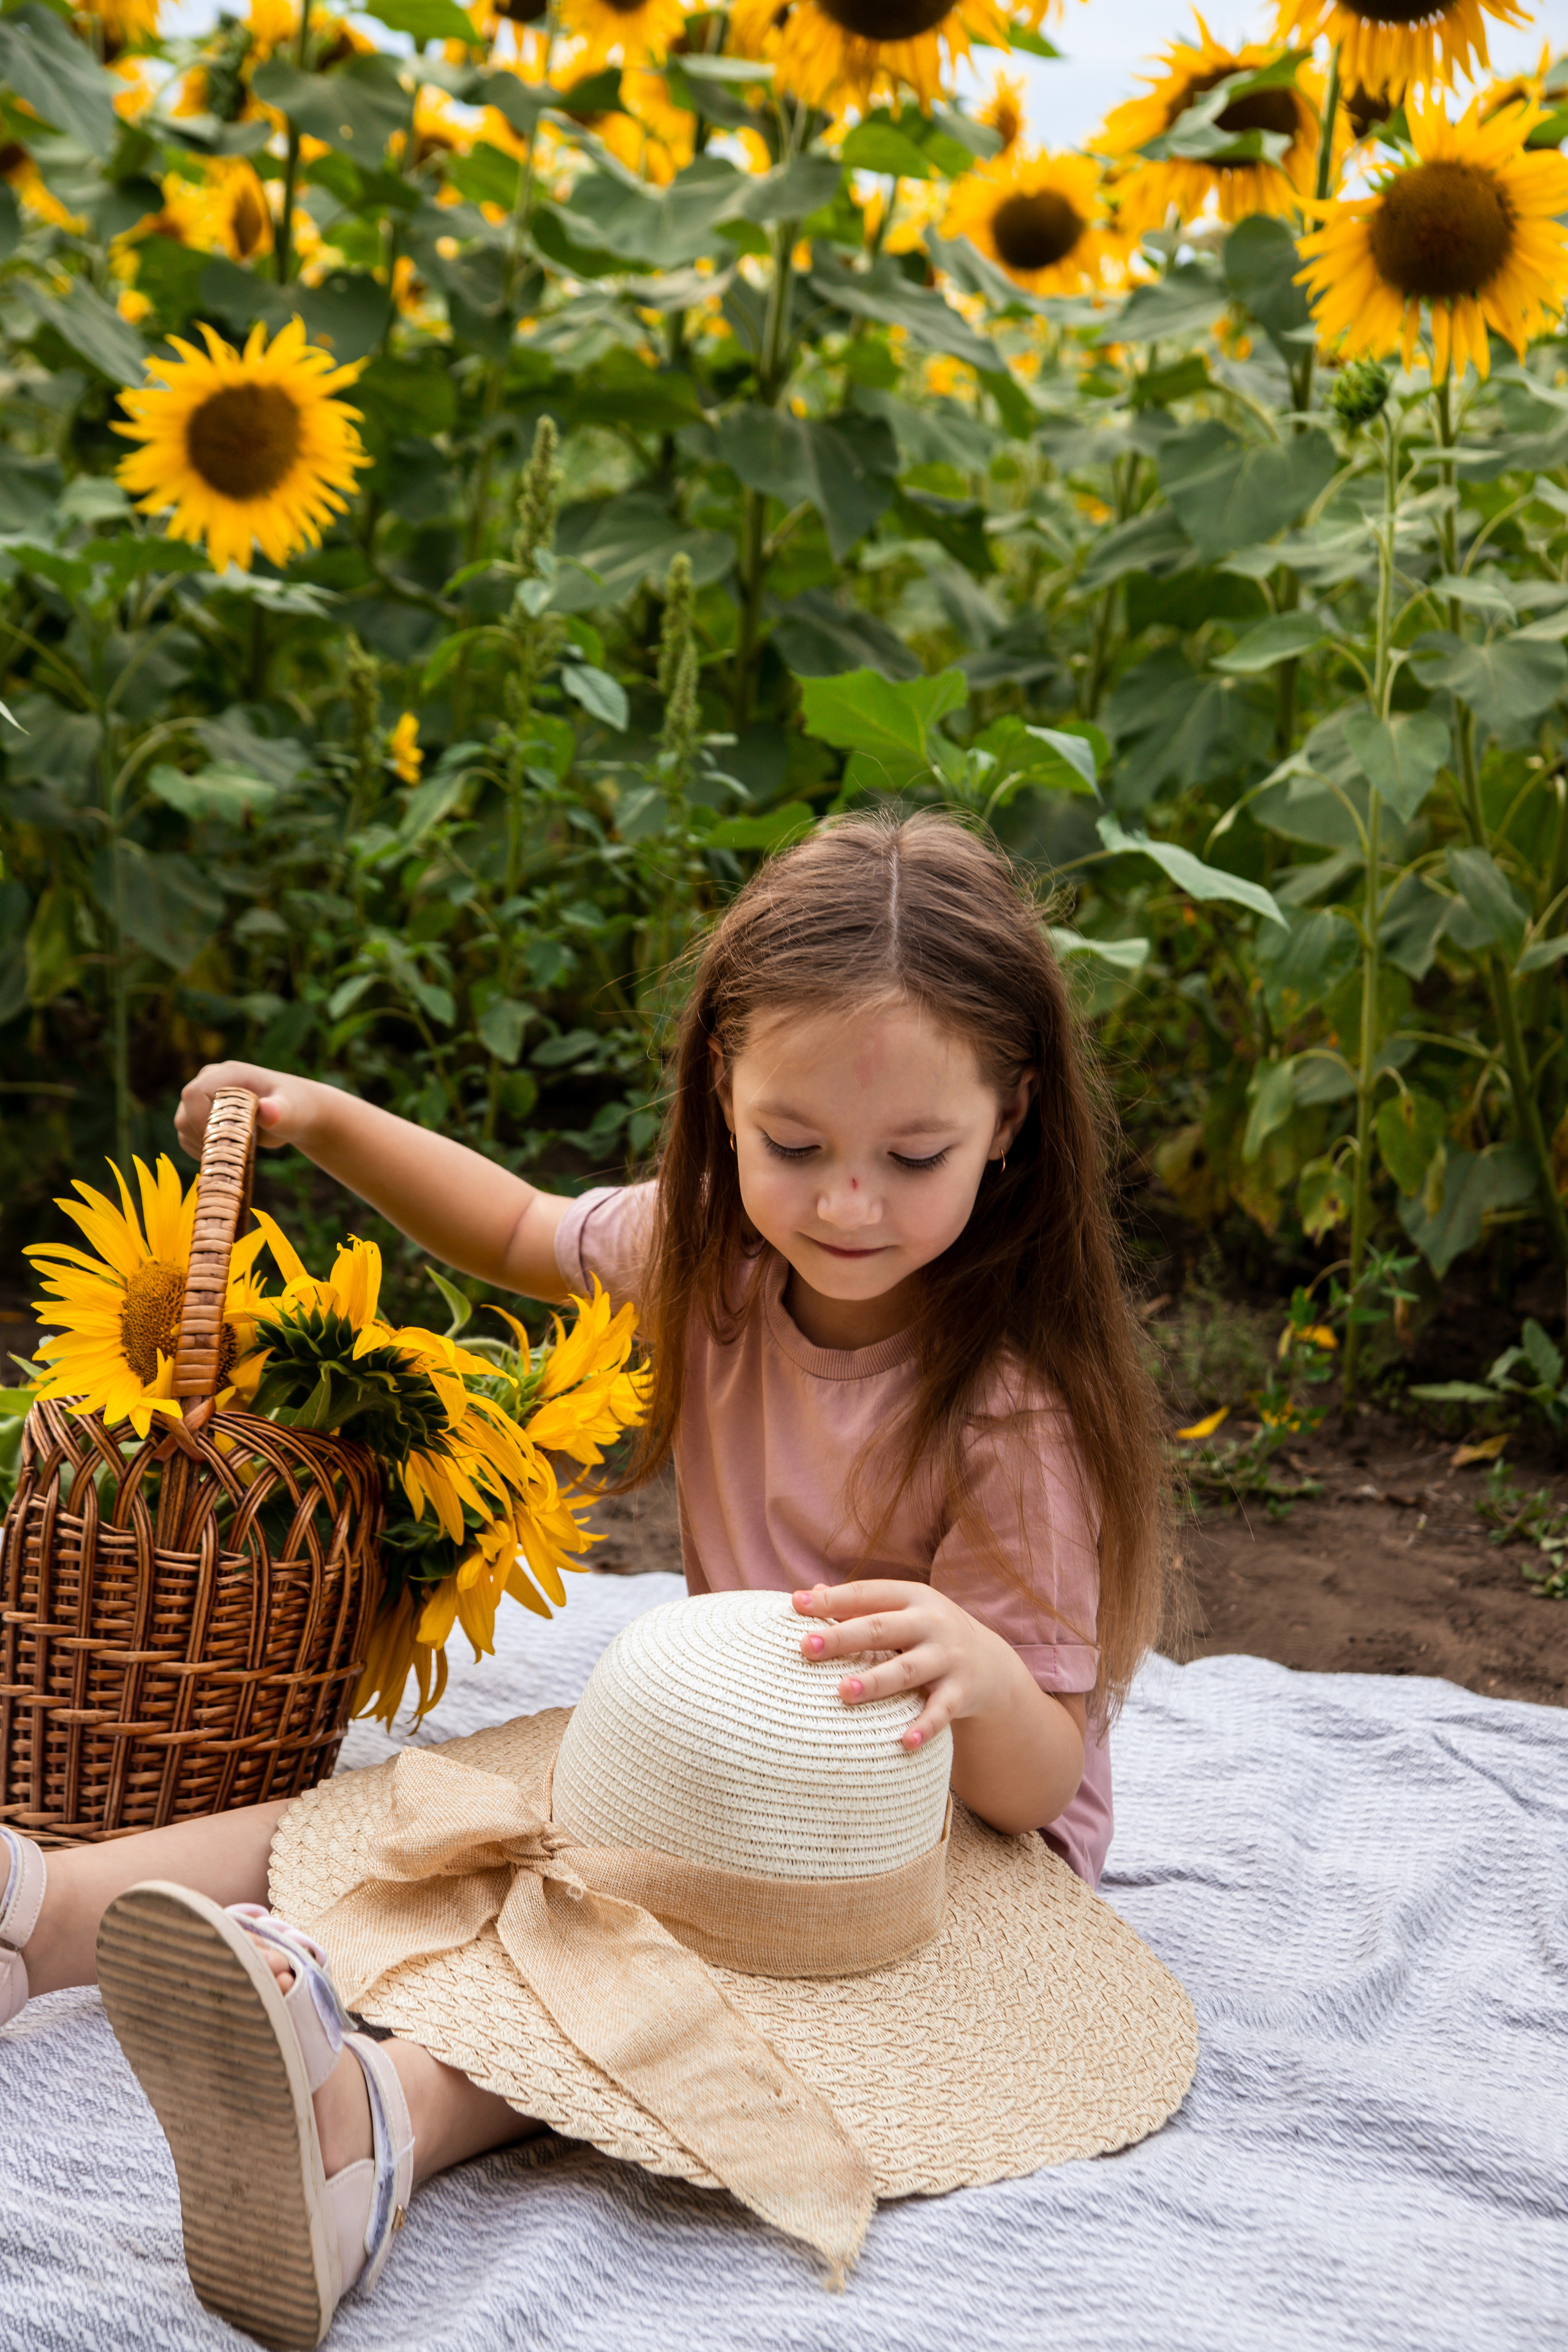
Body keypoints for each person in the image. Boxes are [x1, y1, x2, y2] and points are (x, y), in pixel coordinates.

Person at [1, 810, 1174, 2343]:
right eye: (792, 1145)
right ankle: (39, 1913)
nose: (843, 1205)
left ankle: (371, 2133)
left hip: (930, 1847)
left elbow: (1037, 1786)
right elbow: (515, 1225)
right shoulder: (714, 1264)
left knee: (645, 1968)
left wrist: (973, 1667)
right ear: (721, 1095)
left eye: (912, 1157)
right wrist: (329, 1118)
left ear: (1010, 1120)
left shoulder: (1006, 1407)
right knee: (431, 1811)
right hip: (713, 1763)